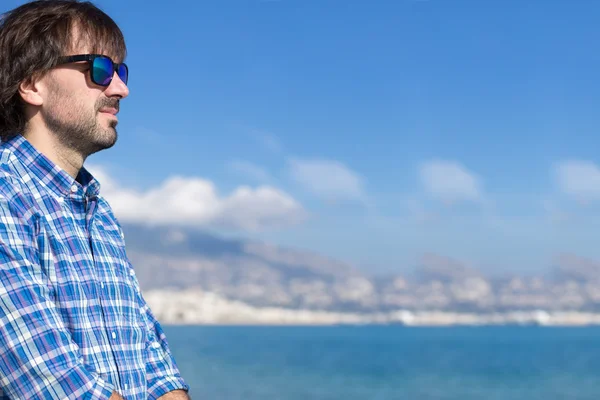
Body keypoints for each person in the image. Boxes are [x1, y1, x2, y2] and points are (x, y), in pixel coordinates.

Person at [0, 1, 190, 399]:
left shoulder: (98, 211)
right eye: (99, 70)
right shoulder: (5, 192)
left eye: (121, 72)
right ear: (32, 84)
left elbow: (150, 358)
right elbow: (44, 376)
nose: (121, 89)